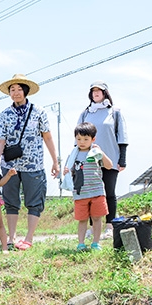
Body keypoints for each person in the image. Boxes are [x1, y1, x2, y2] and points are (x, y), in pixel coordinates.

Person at [0, 74, 60, 250]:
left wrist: (55, 161)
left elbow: (47, 136)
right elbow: (0, 141)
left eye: (19, 89)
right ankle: (12, 236)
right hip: (10, 166)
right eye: (12, 89)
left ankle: (29, 238)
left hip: (34, 164)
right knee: (11, 200)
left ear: (26, 91)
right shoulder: (4, 114)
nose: (15, 93)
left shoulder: (39, 111)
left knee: (34, 200)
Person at [77, 82, 128, 237]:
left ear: (105, 93)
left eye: (99, 90)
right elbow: (77, 138)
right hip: (90, 161)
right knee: (93, 193)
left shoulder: (115, 112)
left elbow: (122, 136)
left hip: (110, 158)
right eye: (93, 91)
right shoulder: (86, 113)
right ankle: (93, 227)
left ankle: (110, 226)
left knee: (109, 192)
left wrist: (122, 159)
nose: (96, 93)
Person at [64, 123, 113, 251]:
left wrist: (101, 152)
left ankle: (96, 243)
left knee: (97, 218)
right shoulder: (73, 155)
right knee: (82, 219)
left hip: (97, 191)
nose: (82, 142)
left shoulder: (95, 153)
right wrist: (65, 172)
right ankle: (81, 243)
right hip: (80, 193)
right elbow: (68, 171)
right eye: (79, 139)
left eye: (86, 139)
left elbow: (109, 165)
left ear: (93, 139)